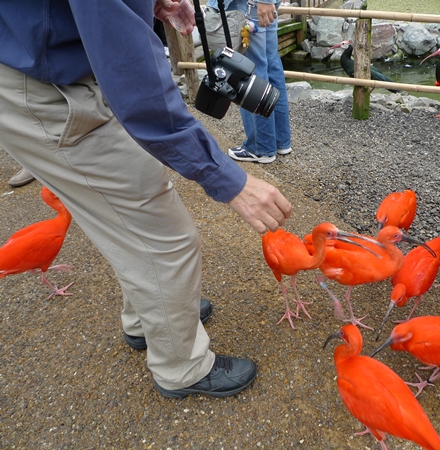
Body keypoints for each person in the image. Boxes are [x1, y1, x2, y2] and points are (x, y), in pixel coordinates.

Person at [0, 0, 292, 399]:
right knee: (167, 238)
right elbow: (137, 87)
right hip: (41, 87)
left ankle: (150, 320)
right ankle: (181, 367)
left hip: (55, 64)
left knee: (136, 205)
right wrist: (229, 180)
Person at [206, 0, 292, 164]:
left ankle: (261, 147)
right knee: (271, 65)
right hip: (260, 3)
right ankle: (280, 141)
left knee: (251, 68)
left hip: (248, 3)